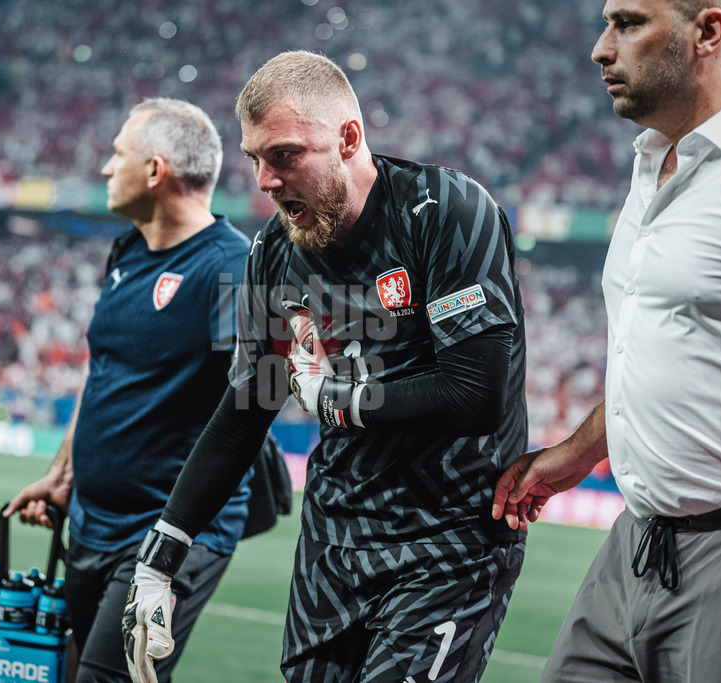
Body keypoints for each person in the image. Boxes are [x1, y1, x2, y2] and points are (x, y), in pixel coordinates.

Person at [122, 50, 528, 683]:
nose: (265, 180)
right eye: (254, 158)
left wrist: (335, 399)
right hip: (332, 543)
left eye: (285, 155)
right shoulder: (271, 252)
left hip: (448, 542)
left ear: (348, 138)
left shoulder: (444, 210)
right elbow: (246, 410)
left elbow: (477, 393)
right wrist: (160, 556)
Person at [492, 0, 721, 680]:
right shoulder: (654, 166)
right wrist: (579, 452)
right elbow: (673, 354)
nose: (601, 48)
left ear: (709, 31)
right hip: (634, 544)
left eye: (629, 23)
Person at [3, 98, 256, 683]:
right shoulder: (126, 251)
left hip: (169, 533)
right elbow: (104, 369)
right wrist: (63, 474)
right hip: (90, 521)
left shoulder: (234, 268)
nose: (105, 168)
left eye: (118, 154)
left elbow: (255, 402)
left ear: (155, 170)